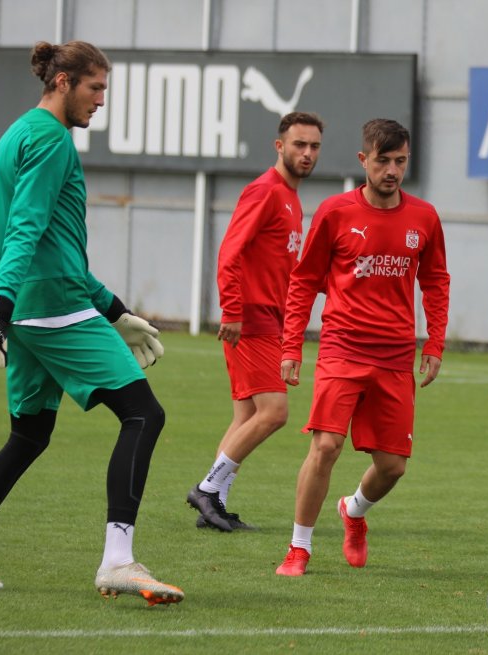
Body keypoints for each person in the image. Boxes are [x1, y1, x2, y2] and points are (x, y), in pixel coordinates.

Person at [0, 41, 183, 606]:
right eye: (95, 88)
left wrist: (115, 309)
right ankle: (118, 559)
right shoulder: (50, 140)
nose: (101, 101)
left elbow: (52, 243)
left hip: (32, 313)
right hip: (55, 310)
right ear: (63, 81)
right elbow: (24, 230)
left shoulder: (18, 134)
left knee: (27, 437)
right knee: (144, 414)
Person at [275, 118, 450, 576]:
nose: (392, 170)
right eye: (383, 161)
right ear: (363, 160)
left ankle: (353, 512)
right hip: (341, 348)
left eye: (401, 161)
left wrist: (434, 342)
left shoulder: (425, 218)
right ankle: (299, 548)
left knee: (392, 467)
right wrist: (291, 346)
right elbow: (303, 281)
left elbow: (435, 281)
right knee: (326, 445)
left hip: (395, 357)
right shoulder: (335, 213)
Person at [186, 112, 324, 532]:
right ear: (279, 146)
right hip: (251, 318)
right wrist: (231, 310)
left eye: (314, 146)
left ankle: (216, 506)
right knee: (275, 412)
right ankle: (208, 489)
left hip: (269, 318)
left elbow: (286, 265)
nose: (307, 153)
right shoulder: (264, 191)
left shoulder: (291, 197)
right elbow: (230, 253)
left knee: (245, 417)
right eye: (299, 144)